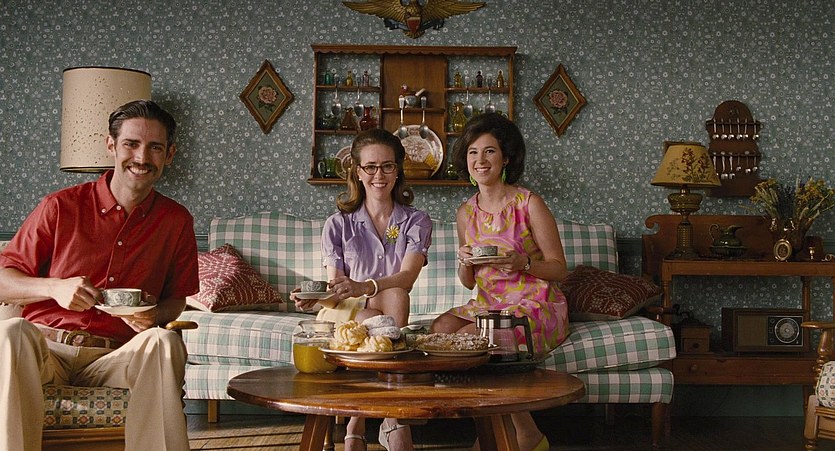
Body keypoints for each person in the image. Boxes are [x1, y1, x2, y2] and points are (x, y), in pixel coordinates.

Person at [0, 99, 199, 451]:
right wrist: (54, 288)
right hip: (47, 351)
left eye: (155, 147)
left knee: (164, 342)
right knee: (10, 332)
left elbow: (176, 301)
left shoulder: (176, 220)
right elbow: (3, 280)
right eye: (131, 144)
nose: (142, 157)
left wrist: (154, 315)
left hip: (116, 357)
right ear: (111, 145)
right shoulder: (59, 206)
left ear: (169, 154)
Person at [430, 113, 569, 451]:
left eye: (489, 151)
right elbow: (468, 282)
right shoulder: (466, 212)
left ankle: (492, 435)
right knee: (440, 330)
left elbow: (559, 269)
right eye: (473, 152)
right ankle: (525, 433)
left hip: (535, 303)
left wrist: (523, 263)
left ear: (505, 157)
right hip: (489, 304)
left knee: (472, 339)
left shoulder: (529, 204)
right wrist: (464, 261)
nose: (480, 160)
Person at [292, 128, 432, 451]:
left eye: (387, 166)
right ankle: (387, 418)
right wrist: (314, 299)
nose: (378, 175)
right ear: (357, 171)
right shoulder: (338, 224)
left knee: (395, 296)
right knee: (378, 316)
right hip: (346, 314)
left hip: (389, 306)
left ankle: (369, 420)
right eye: (370, 167)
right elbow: (337, 291)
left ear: (398, 170)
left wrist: (365, 285)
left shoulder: (416, 221)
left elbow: (407, 277)